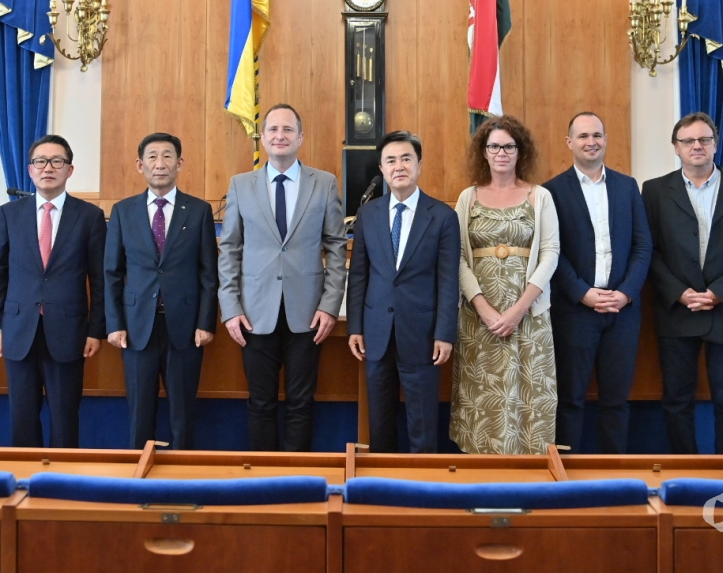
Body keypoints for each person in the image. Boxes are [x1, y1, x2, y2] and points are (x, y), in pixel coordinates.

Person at [218, 104, 347, 452]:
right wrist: (229, 307)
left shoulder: (324, 183)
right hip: (253, 314)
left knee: (301, 404)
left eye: (288, 130)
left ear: (300, 137)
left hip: (308, 315)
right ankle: (265, 485)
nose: (280, 135)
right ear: (263, 137)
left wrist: (330, 305)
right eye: (273, 129)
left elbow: (337, 246)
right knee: (260, 403)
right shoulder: (241, 185)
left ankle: (298, 482)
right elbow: (229, 248)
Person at [642, 112, 723, 455]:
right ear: (676, 148)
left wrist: (720, 293)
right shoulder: (654, 191)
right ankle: (685, 470)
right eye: (688, 141)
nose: (696, 146)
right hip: (677, 309)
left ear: (716, 144)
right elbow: (648, 250)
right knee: (676, 399)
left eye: (704, 140)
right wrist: (679, 292)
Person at [0, 135, 105, 448]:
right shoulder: (10, 214)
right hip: (17, 328)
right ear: (30, 170)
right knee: (22, 416)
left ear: (70, 169)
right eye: (41, 161)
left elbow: (100, 278)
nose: (48, 168)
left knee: (65, 417)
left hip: (69, 330)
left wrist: (96, 331)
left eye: (57, 162)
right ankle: (26, 482)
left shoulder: (89, 216)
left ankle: (63, 484)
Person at [451, 115, 560, 454]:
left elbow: (551, 253)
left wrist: (517, 310)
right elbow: (456, 257)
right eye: (494, 146)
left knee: (528, 397)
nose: (501, 152)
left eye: (508, 146)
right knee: (483, 396)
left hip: (528, 315)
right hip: (477, 317)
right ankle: (478, 481)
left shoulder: (539, 196)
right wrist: (483, 307)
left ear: (519, 151)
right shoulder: (467, 198)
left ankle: (529, 481)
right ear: (483, 152)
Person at [544, 111, 652, 454]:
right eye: (583, 136)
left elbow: (642, 245)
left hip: (622, 312)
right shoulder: (552, 192)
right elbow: (552, 252)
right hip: (575, 310)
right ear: (569, 142)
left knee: (616, 401)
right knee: (570, 399)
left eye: (597, 135)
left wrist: (625, 293)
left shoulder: (627, 186)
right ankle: (563, 478)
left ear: (605, 139)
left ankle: (614, 476)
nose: (591, 142)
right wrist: (582, 293)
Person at [346, 131, 460, 453]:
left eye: (406, 159)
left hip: (423, 335)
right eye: (391, 160)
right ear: (382, 169)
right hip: (376, 334)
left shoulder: (442, 217)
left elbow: (449, 281)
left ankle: (422, 491)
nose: (399, 166)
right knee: (380, 423)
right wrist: (355, 326)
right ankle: (382, 492)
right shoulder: (368, 215)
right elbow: (359, 276)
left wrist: (444, 333)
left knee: (422, 424)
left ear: (419, 165)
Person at [105, 132, 218, 450]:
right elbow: (112, 273)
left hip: (184, 326)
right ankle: (140, 479)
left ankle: (183, 478)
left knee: (183, 412)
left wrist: (206, 322)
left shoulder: (198, 211)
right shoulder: (123, 211)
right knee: (140, 412)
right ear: (140, 165)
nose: (160, 163)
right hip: (137, 326)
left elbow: (209, 274)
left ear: (179, 163)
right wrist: (114, 324)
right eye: (152, 157)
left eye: (168, 156)